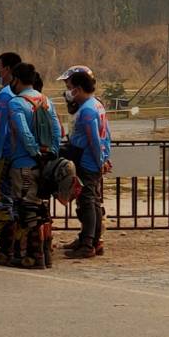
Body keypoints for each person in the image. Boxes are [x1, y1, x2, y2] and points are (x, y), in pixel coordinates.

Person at [0, 62, 62, 267]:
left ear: (16, 79)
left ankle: (32, 256)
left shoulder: (16, 103)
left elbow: (22, 131)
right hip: (44, 164)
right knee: (40, 208)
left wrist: (33, 152)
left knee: (25, 209)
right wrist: (50, 153)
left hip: (23, 163)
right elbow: (57, 131)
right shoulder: (46, 101)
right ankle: (44, 253)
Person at [62, 66, 111, 260]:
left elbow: (95, 139)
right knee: (92, 201)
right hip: (91, 159)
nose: (68, 91)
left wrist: (100, 160)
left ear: (79, 88)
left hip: (87, 161)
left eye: (70, 87)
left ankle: (88, 243)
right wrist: (104, 157)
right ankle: (89, 239)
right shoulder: (96, 105)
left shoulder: (89, 110)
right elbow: (106, 134)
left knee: (88, 202)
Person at [0, 51, 23, 263]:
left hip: (4, 155)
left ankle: (5, 248)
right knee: (19, 202)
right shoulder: (30, 94)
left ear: (8, 69)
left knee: (1, 202)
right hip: (21, 157)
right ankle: (19, 247)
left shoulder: (5, 95)